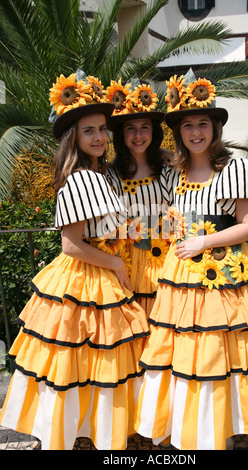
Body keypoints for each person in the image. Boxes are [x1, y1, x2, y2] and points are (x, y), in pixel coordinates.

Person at [134, 71, 248, 450]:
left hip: (224, 272)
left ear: (215, 128)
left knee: (225, 351)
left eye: (202, 124)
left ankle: (222, 423)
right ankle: (193, 424)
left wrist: (201, 243)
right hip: (181, 276)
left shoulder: (237, 167)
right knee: (189, 351)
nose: (195, 132)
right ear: (178, 133)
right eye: (188, 125)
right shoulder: (174, 173)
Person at [0, 72, 149, 450]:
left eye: (101, 128)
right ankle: (82, 433)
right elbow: (71, 245)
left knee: (92, 361)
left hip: (99, 273)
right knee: (89, 360)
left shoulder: (99, 174)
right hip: (87, 275)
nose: (99, 137)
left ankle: (85, 431)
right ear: (75, 138)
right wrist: (116, 264)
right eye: (89, 131)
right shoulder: (82, 178)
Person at [105, 78, 171, 316]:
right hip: (126, 263)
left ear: (154, 131)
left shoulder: (168, 168)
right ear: (121, 134)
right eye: (130, 128)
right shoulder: (110, 175)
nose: (138, 135)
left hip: (164, 259)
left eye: (145, 127)